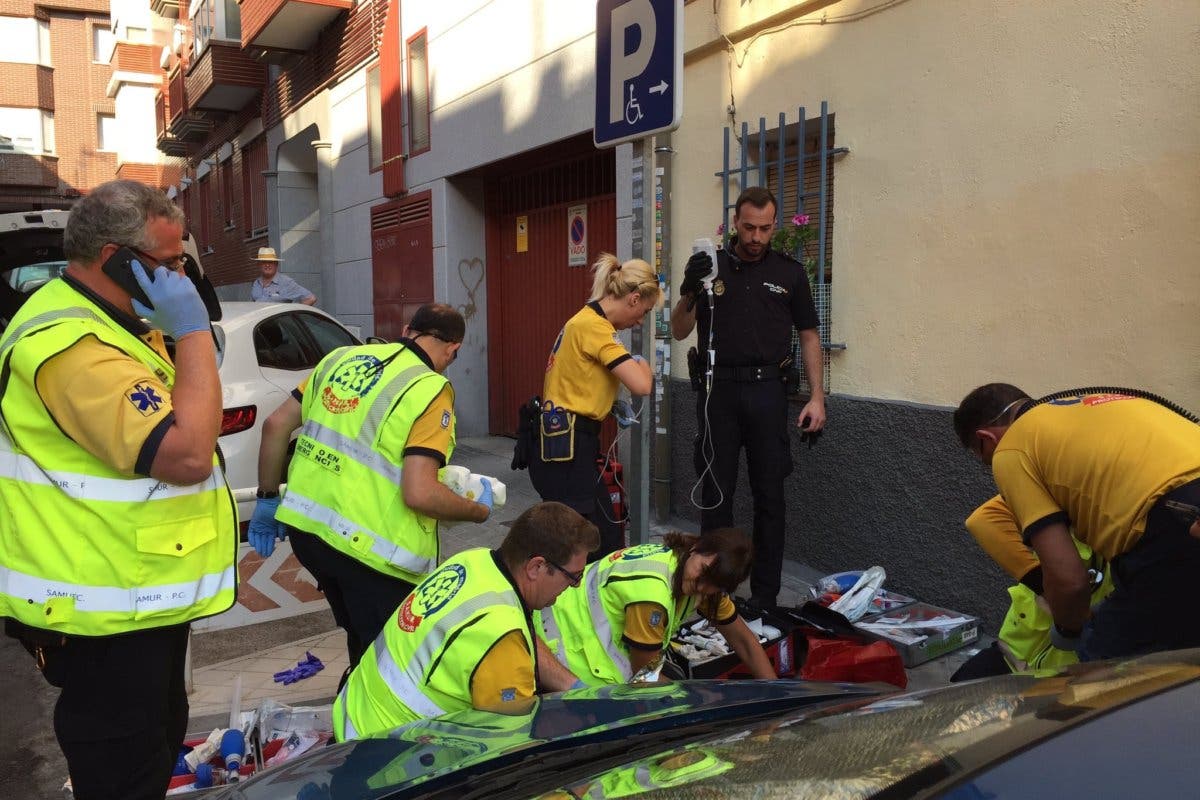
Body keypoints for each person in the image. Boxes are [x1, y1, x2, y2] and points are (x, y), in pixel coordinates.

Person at [0, 180, 237, 800]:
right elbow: (185, 454)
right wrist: (189, 333)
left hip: (133, 598)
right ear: (115, 260)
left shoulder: (118, 324)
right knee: (123, 775)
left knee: (156, 751)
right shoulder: (71, 347)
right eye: (169, 263)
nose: (182, 276)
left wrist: (179, 332)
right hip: (99, 615)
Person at [250, 303, 493, 670]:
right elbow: (420, 492)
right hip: (370, 552)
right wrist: (477, 511)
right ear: (453, 349)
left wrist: (267, 498)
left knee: (361, 640)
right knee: (388, 663)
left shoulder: (340, 359)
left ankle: (352, 714)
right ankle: (366, 722)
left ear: (408, 328)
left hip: (310, 535)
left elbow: (274, 426)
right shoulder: (430, 389)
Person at [954, 383, 1200, 660]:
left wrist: (1069, 630)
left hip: (1176, 527)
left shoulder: (1012, 449)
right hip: (1186, 519)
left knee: (1101, 670)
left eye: (983, 458)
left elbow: (1069, 580)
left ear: (986, 438)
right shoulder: (1097, 405)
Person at [670, 186, 826, 613]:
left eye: (765, 228)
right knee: (716, 496)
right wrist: (688, 288)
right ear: (735, 222)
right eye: (749, 227)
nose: (757, 237)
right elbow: (680, 329)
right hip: (717, 394)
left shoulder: (790, 273)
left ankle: (764, 596)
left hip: (767, 394)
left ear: (775, 226)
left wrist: (817, 397)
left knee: (769, 497)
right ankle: (712, 593)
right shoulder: (710, 267)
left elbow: (810, 336)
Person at [332, 501, 599, 740]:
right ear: (536, 567)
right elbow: (509, 746)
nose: (575, 586)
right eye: (573, 576)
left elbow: (521, 635)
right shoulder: (502, 640)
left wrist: (573, 687)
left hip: (355, 715)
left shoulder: (471, 562)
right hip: (388, 761)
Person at [528, 252, 660, 557]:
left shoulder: (585, 321)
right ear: (633, 298)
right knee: (585, 548)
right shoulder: (595, 328)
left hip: (565, 448)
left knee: (597, 540)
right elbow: (642, 385)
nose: (640, 320)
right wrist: (643, 364)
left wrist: (608, 402)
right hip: (568, 452)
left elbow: (578, 380)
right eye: (644, 311)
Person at [536, 529, 778, 685]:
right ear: (696, 549)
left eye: (714, 586)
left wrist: (776, 697)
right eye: (702, 573)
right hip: (563, 641)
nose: (702, 588)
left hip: (573, 621)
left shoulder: (685, 562)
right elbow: (644, 678)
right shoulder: (652, 597)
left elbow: (745, 642)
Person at [951, 495, 1112, 681]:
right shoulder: (1057, 498)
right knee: (954, 692)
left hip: (1064, 676)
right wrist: (1043, 585)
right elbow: (982, 520)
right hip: (1010, 656)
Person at [249, 246, 316, 305]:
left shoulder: (286, 282)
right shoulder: (256, 283)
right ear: (258, 265)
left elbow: (310, 298)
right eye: (264, 262)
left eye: (270, 262)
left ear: (276, 264)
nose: (267, 265)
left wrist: (292, 314)